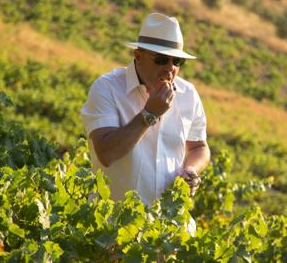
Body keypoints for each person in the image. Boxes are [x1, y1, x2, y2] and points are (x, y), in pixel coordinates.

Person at [81, 12, 210, 207]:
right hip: (112, 228)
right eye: (161, 59)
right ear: (138, 56)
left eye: (177, 62)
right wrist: (149, 115)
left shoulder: (188, 94)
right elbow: (107, 154)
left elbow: (199, 147)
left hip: (168, 228)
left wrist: (191, 169)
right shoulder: (107, 88)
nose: (170, 68)